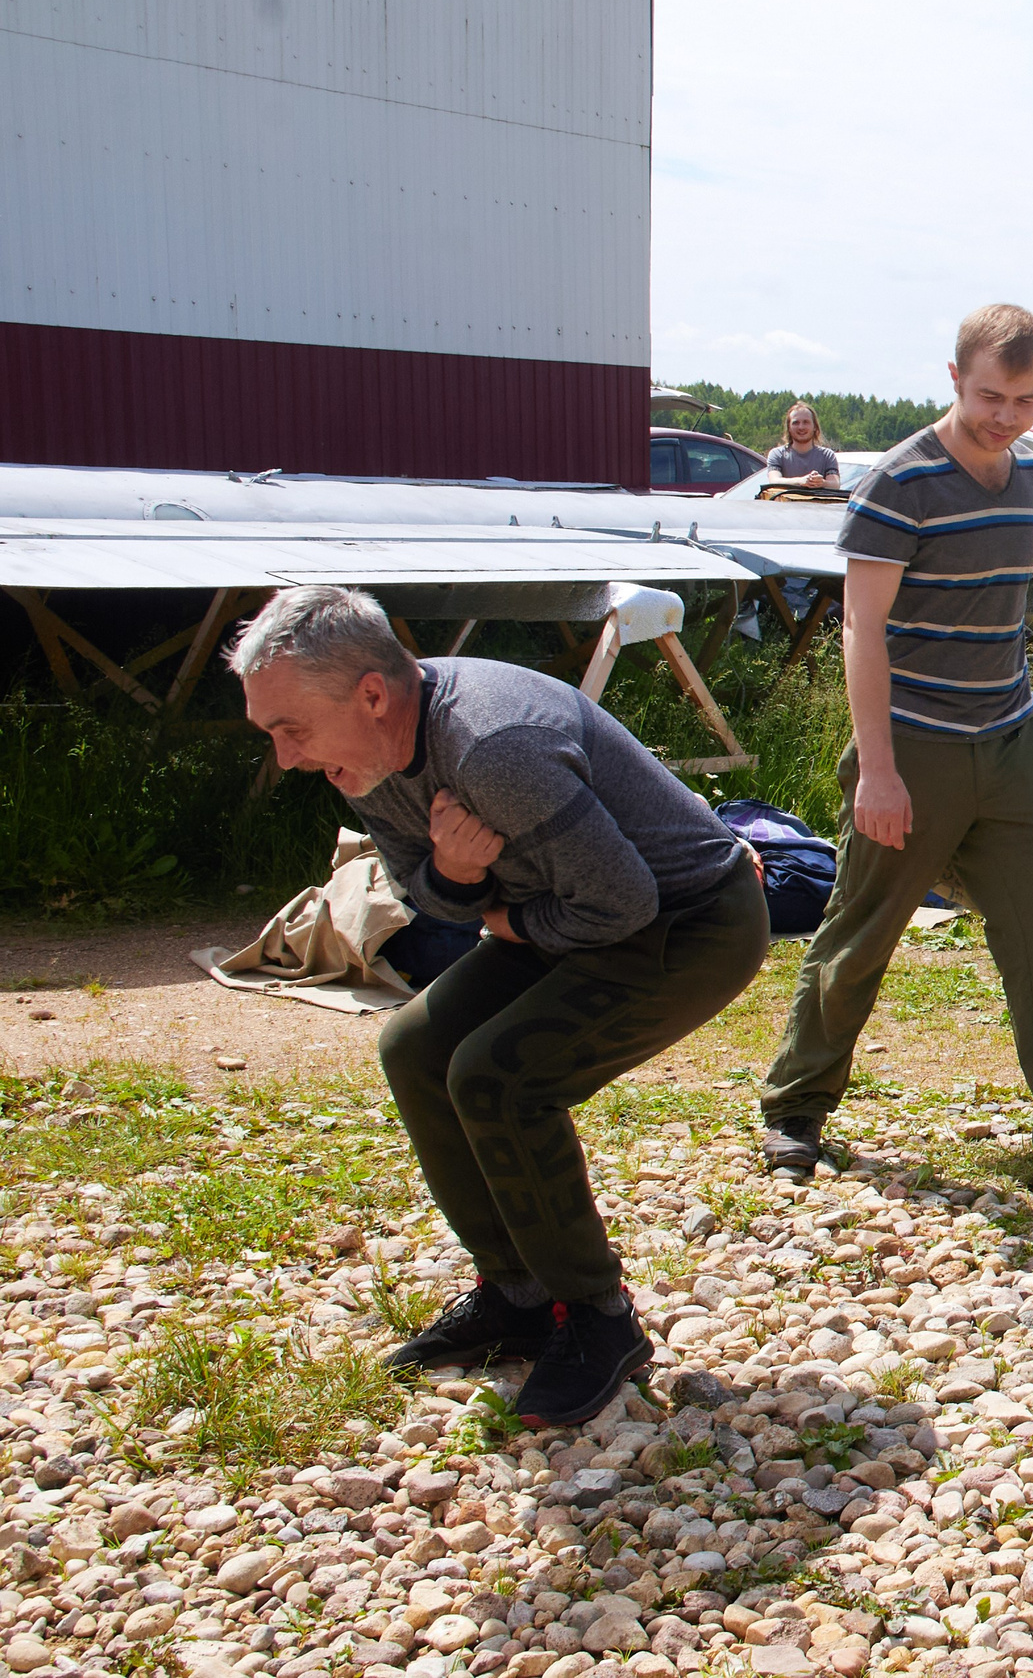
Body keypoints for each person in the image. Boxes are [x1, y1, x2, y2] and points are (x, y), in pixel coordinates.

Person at [231, 587, 768, 1426]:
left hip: (690, 920)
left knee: (498, 1075)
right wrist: (460, 876)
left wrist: (500, 913)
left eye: (289, 729)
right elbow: (422, 894)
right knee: (413, 1046)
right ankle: (518, 1296)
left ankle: (598, 1318)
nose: (288, 756)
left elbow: (622, 904)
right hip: (568, 917)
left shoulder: (492, 746)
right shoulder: (361, 754)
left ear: (372, 694)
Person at [758, 305, 1033, 1177]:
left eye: (1024, 398)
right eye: (988, 395)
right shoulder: (901, 483)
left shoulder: (1027, 471)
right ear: (952, 378)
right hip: (913, 743)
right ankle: (794, 1106)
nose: (1003, 415)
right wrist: (880, 772)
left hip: (1008, 738)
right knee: (861, 932)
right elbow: (861, 628)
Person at [767, 403, 840, 488]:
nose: (801, 427)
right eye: (795, 423)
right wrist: (800, 481)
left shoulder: (827, 455)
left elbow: (835, 485)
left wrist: (821, 482)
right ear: (789, 428)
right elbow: (774, 481)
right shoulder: (777, 454)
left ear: (815, 427)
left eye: (806, 422)